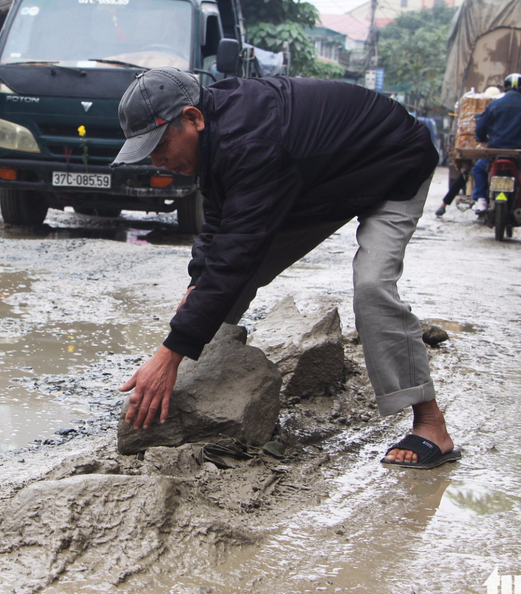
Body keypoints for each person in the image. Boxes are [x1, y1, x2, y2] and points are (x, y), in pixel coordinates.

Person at [113, 68, 458, 469]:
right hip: (319, 183)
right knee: (210, 282)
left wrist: (169, 353)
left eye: (160, 144)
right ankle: (202, 378)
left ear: (193, 118)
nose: (158, 160)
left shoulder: (253, 142)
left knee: (371, 286)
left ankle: (431, 423)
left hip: (394, 164)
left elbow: (237, 252)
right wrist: (196, 282)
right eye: (147, 151)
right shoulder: (217, 135)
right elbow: (220, 220)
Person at [471, 73, 521, 214]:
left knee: (478, 169)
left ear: (505, 88)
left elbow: (480, 129)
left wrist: (481, 138)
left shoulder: (493, 105)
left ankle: (481, 200)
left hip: (495, 152)